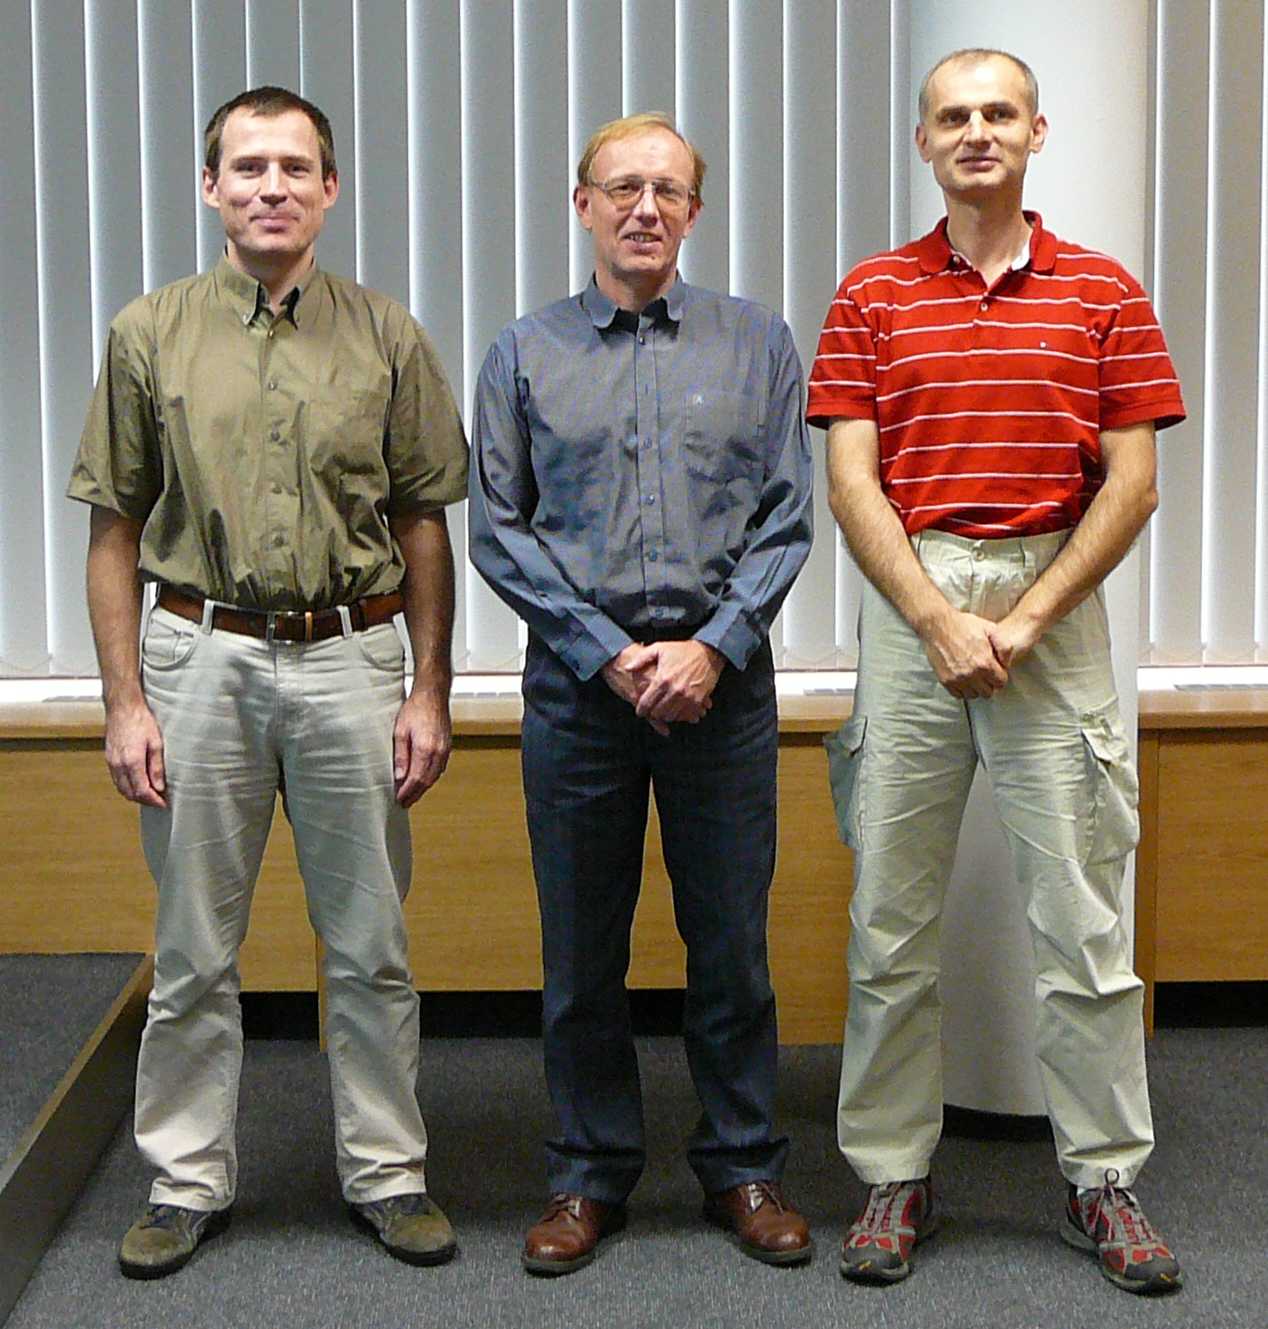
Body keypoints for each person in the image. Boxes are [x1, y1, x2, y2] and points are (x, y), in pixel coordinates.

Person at [67, 86, 468, 1279]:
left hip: (355, 659)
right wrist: (124, 702)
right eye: (247, 168)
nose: (271, 187)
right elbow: (112, 530)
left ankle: (389, 1175)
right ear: (212, 188)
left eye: (295, 167)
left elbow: (423, 526)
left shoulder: (388, 334)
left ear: (330, 191)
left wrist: (429, 688)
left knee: (370, 945)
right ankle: (187, 1178)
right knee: (195, 947)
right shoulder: (150, 332)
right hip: (201, 659)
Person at [807, 49, 1185, 1296]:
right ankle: (889, 1174)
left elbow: (1128, 485)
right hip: (913, 598)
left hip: (1053, 608)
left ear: (1035, 132)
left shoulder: (1102, 294)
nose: (976, 133)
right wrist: (931, 617)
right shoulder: (869, 294)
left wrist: (1021, 623)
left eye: (997, 114)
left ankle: (1102, 1180)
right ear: (921, 141)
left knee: (1082, 924)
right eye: (952, 117)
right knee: (888, 925)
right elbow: (850, 480)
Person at [468, 112, 814, 1275]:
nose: (644, 208)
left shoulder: (758, 344)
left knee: (731, 948)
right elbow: (498, 532)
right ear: (581, 204)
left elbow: (785, 516)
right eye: (621, 186)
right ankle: (585, 1175)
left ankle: (744, 1165)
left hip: (725, 691)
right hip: (580, 699)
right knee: (581, 953)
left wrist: (711, 648)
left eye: (667, 188)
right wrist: (608, 653)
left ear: (694, 212)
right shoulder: (522, 353)